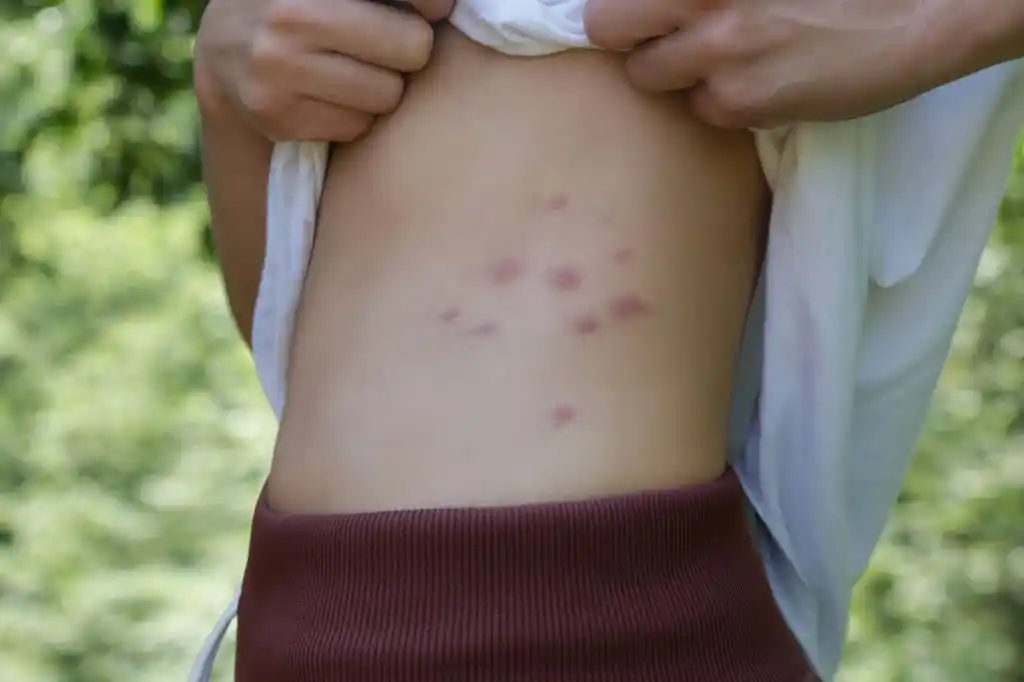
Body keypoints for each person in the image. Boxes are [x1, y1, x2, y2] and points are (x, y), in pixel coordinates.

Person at [189, 1, 1024, 681]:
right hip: (306, 619)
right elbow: (308, 363)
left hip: (628, 625)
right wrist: (227, 87)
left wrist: (941, 18)